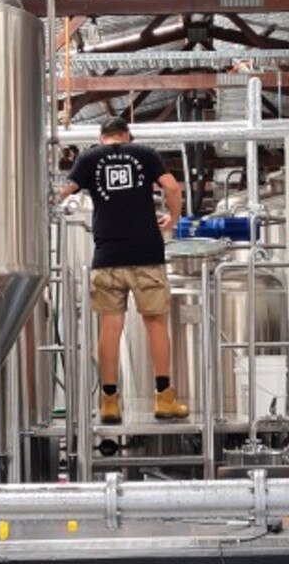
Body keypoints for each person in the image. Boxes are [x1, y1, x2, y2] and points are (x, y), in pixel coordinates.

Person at [59, 117, 187, 424]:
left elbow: (64, 192)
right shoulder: (144, 153)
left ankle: (109, 402)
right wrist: (172, 217)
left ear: (101, 136)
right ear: (126, 135)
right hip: (146, 253)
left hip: (108, 255)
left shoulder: (89, 157)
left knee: (110, 326)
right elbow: (172, 187)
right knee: (155, 323)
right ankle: (164, 398)